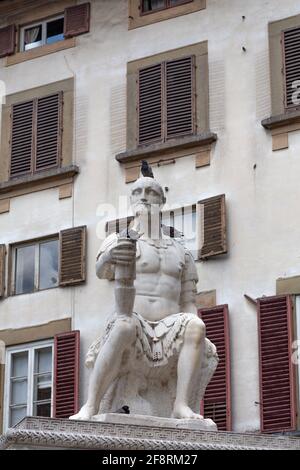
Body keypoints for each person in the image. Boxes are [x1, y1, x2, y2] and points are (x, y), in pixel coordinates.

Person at [71, 172, 218, 421]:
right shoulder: (120, 240)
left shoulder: (181, 251)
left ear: (161, 201)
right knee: (123, 325)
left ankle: (181, 405)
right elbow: (101, 270)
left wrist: (199, 337)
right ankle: (91, 405)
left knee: (196, 325)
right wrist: (110, 256)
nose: (144, 197)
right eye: (138, 193)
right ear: (131, 201)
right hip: (133, 320)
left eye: (151, 193)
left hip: (171, 328)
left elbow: (188, 301)